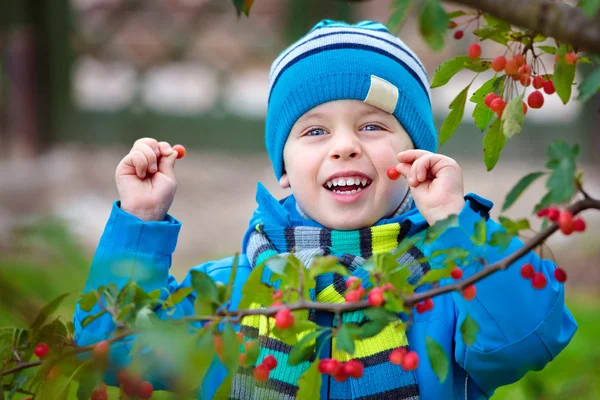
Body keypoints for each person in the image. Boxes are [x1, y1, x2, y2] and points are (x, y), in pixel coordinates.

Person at [74, 19, 577, 400]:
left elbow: (525, 337)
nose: (344, 147)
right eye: (314, 131)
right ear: (284, 170)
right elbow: (113, 344)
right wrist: (140, 221)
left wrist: (456, 224)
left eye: (373, 127)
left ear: (416, 157)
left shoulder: (448, 286)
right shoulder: (230, 294)